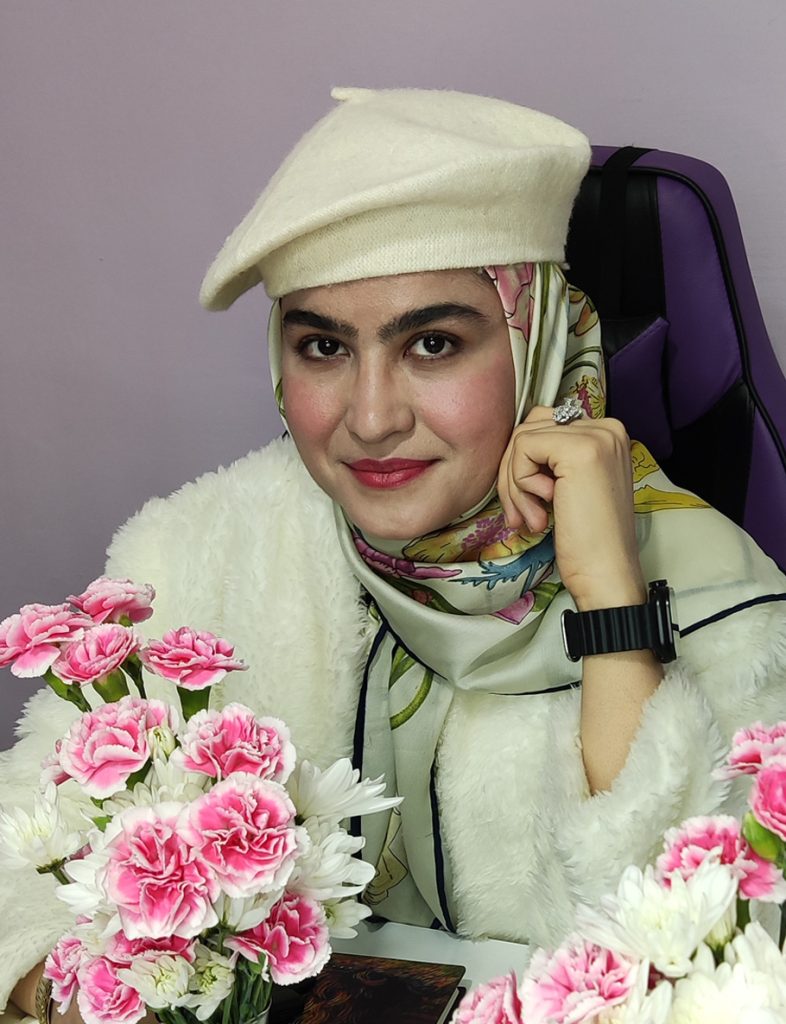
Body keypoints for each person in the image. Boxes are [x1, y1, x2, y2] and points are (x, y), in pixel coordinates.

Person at [4, 87, 786, 1021]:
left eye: (434, 343)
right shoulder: (204, 547)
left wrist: (612, 599)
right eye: (323, 347)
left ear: (540, 342)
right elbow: (24, 852)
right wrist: (63, 989)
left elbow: (722, 957)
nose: (371, 418)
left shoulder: (720, 591)